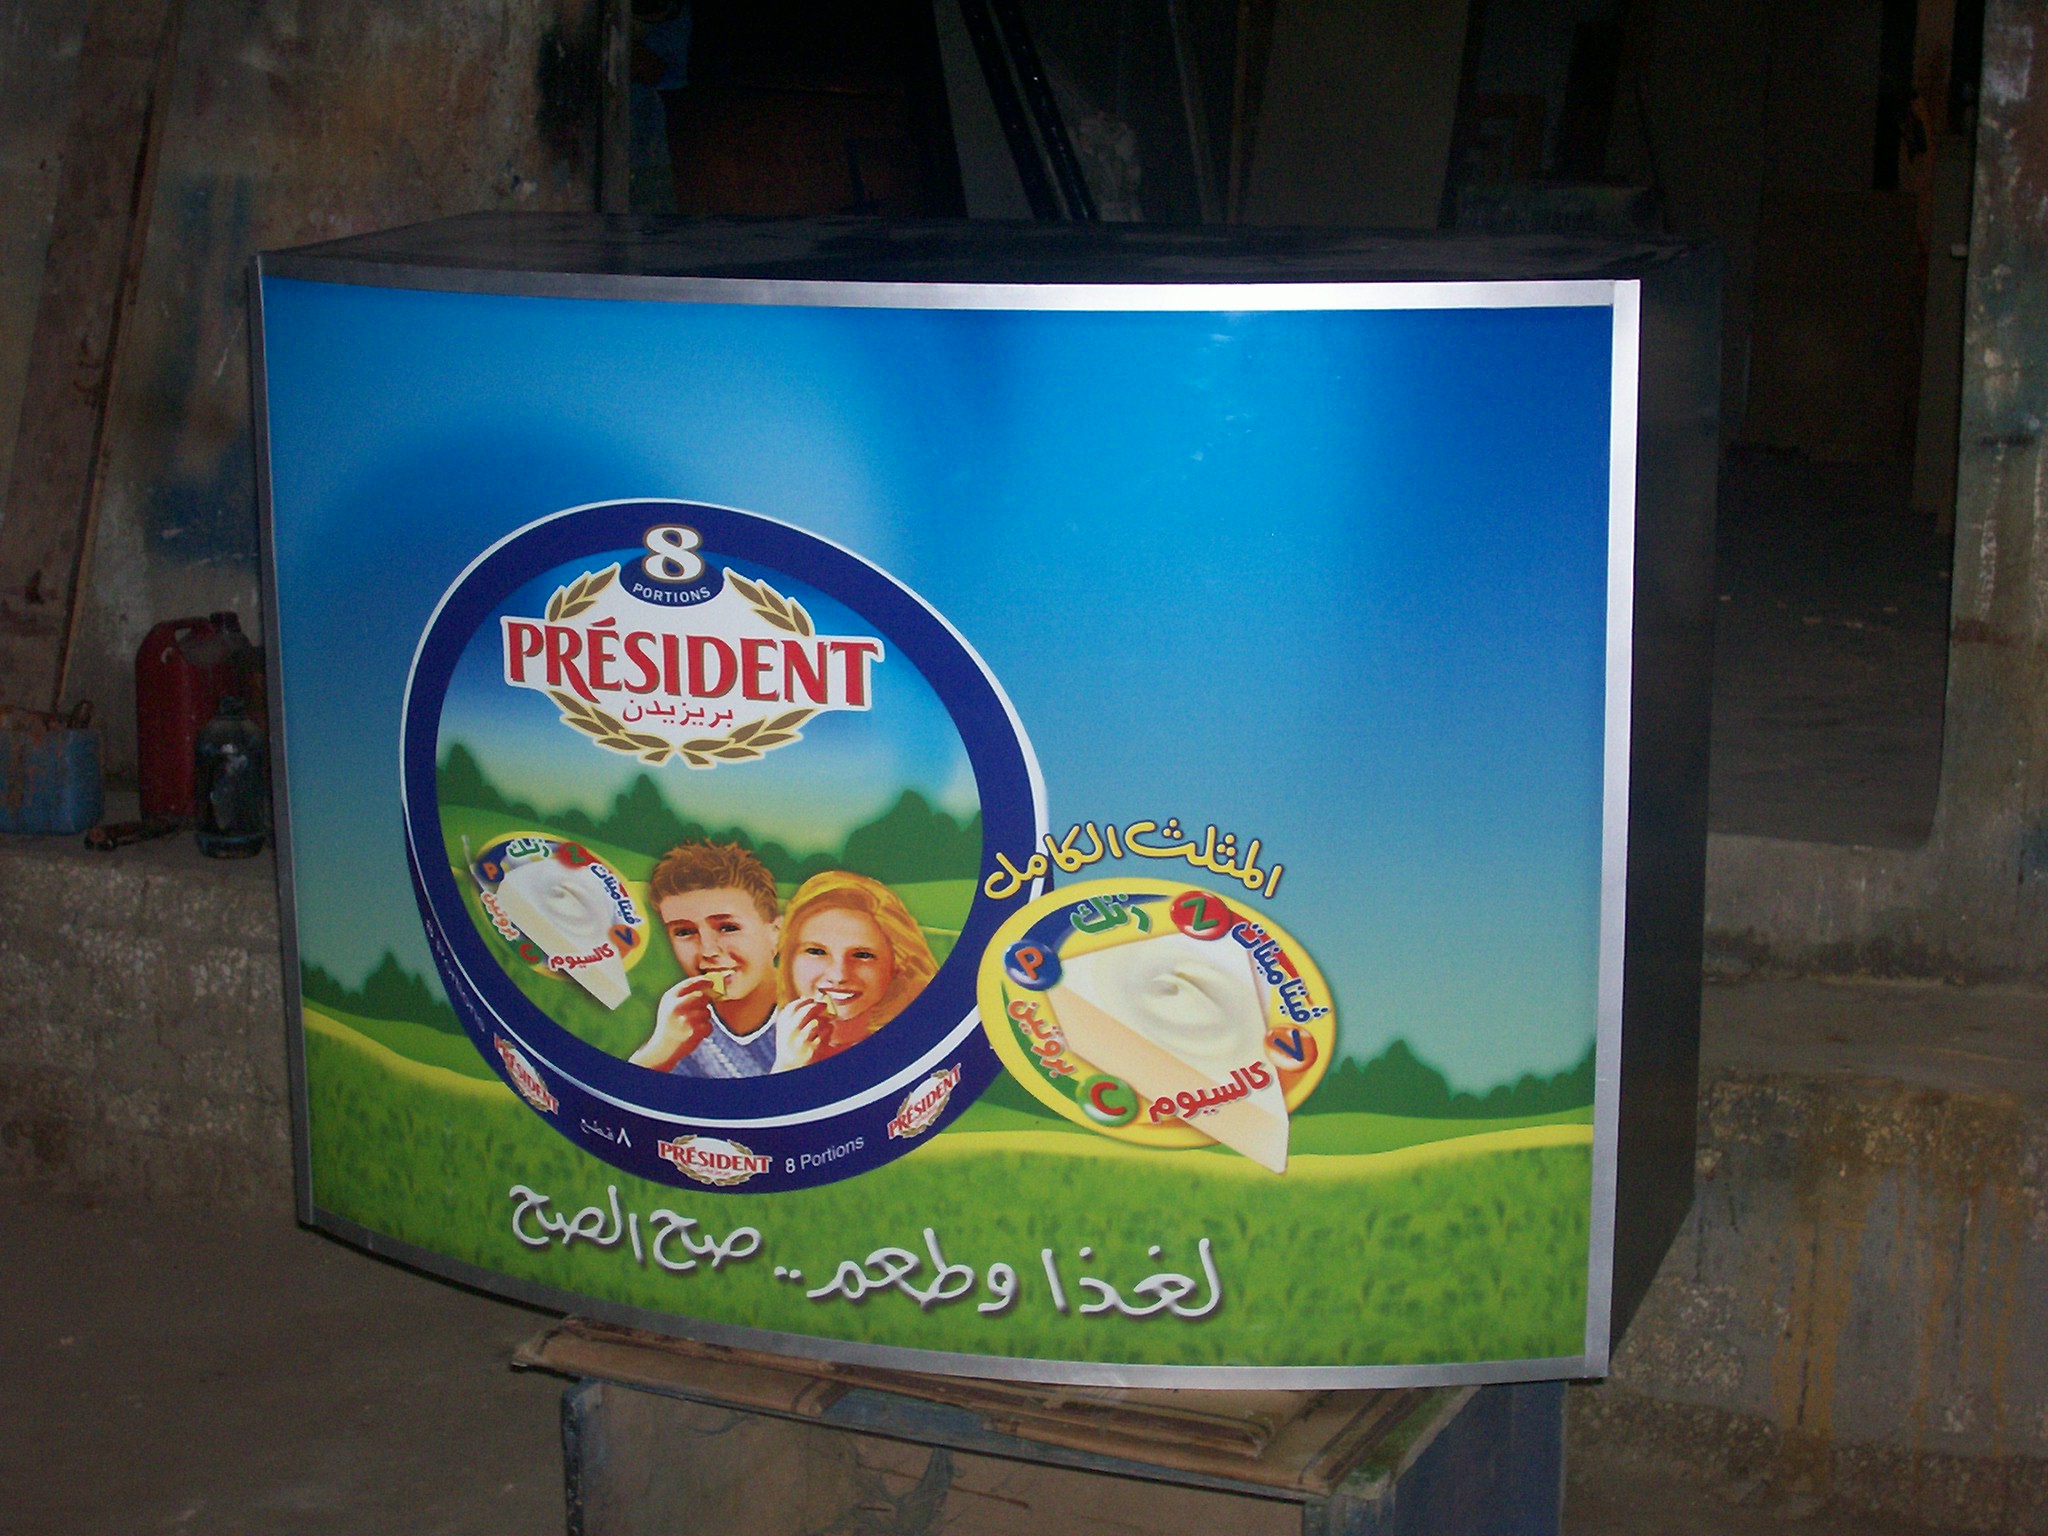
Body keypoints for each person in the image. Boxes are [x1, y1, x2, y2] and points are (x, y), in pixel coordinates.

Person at [629, 841, 782, 1078]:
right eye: (684, 932)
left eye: (728, 927)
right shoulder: (677, 1036)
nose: (708, 950)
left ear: (776, 934)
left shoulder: (820, 1019)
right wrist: (656, 1054)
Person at [769, 871, 938, 1072]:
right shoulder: (767, 1035)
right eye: (817, 952)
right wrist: (787, 1065)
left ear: (897, 964)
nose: (839, 976)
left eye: (862, 955)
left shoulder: (914, 1040)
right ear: (789, 959)